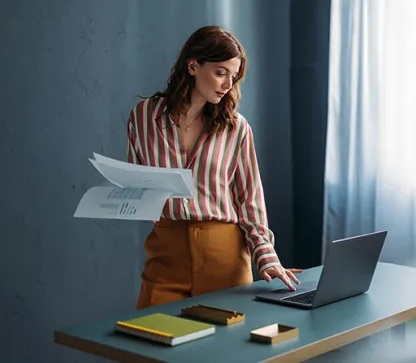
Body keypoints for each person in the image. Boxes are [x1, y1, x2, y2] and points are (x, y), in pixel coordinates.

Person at [126, 26, 302, 309]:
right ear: (193, 65)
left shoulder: (236, 128)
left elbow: (250, 198)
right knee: (152, 344)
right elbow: (136, 180)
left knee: (225, 349)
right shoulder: (143, 116)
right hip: (166, 252)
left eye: (233, 77)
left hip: (224, 256)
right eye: (221, 73)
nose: (227, 85)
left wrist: (266, 256)